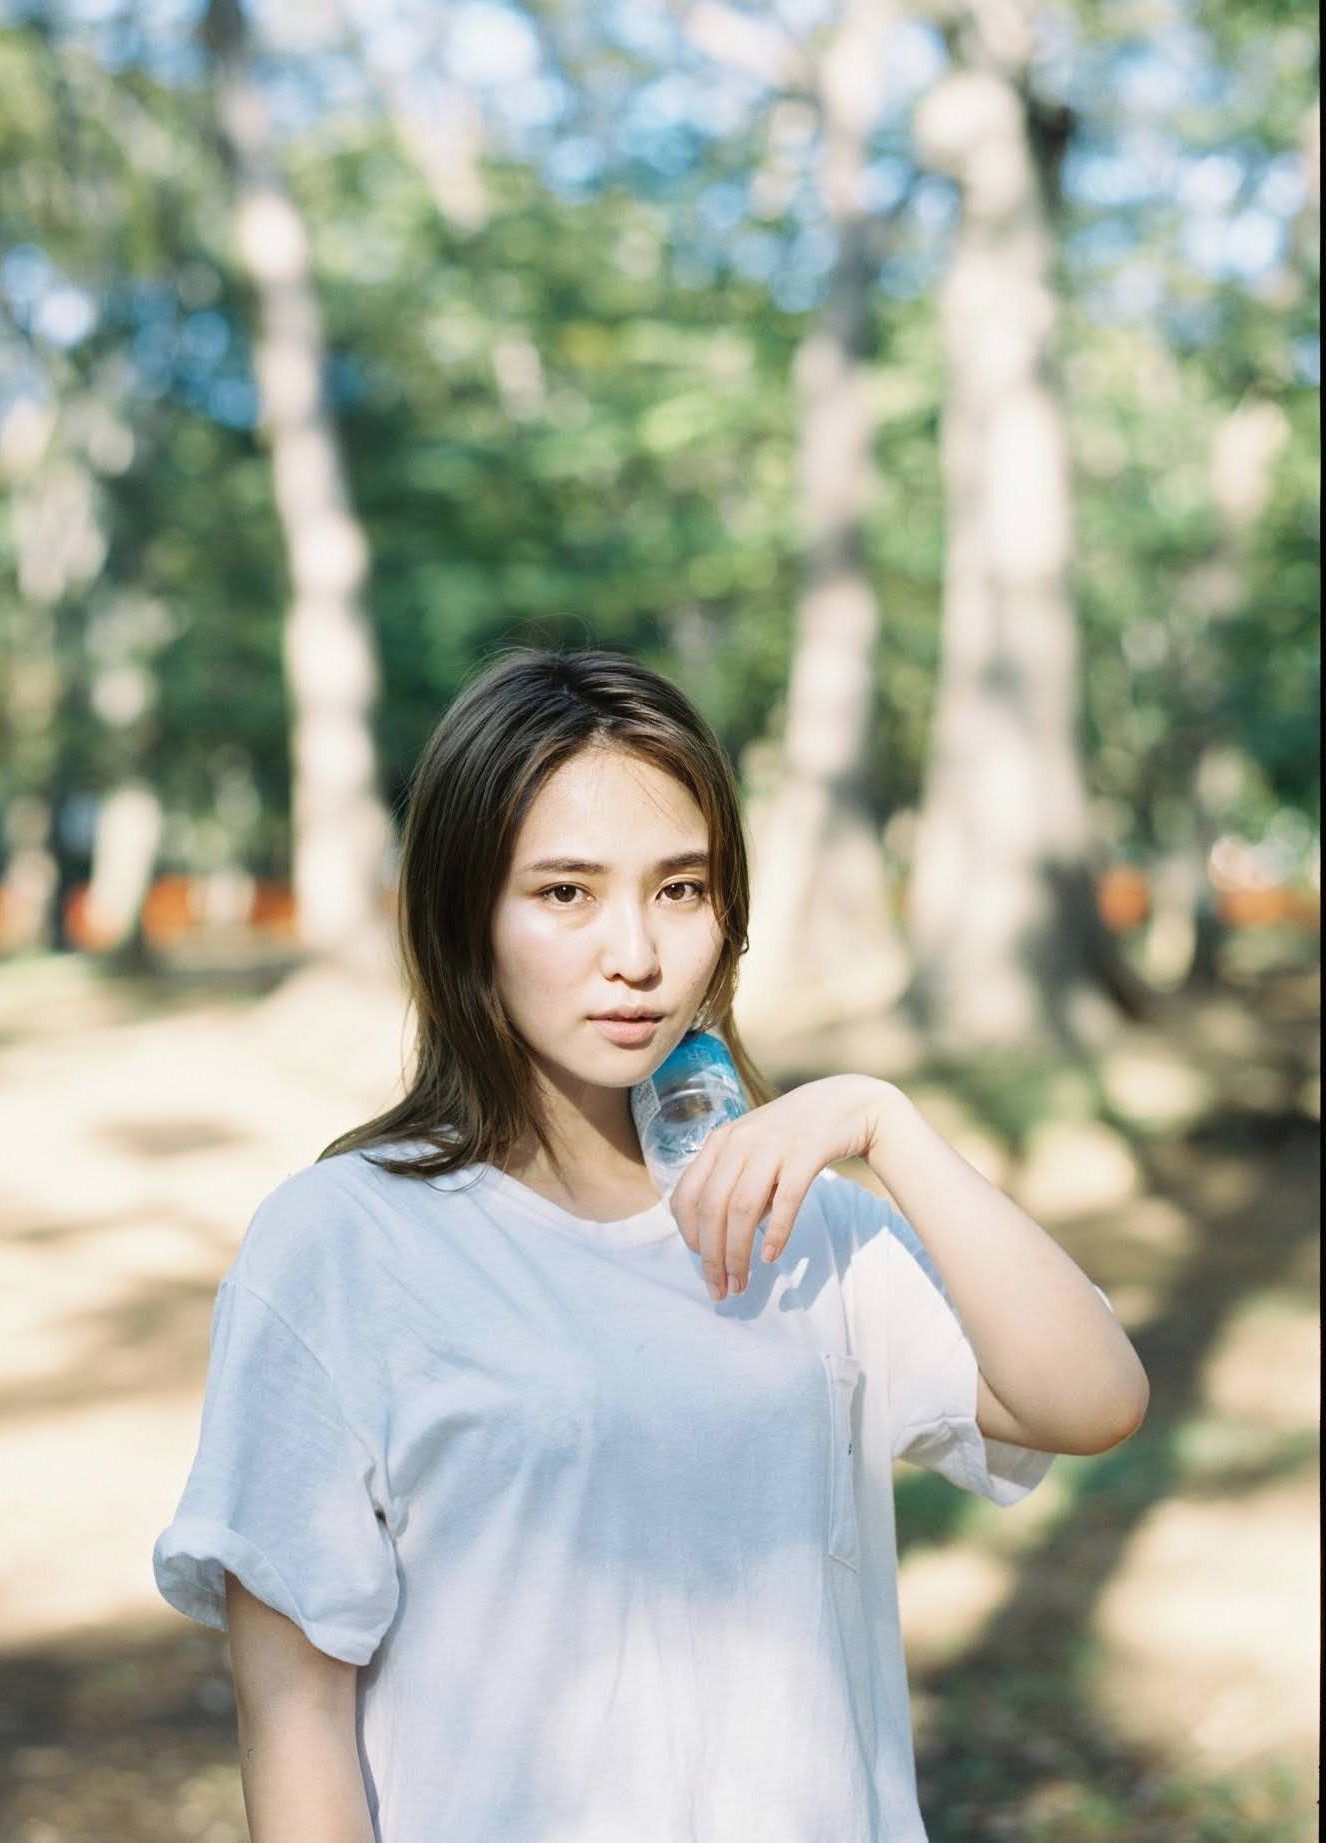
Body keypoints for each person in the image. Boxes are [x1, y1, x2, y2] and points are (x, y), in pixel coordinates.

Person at [152, 646, 1149, 1843]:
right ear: (464, 913)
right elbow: (296, 1719)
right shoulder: (345, 1243)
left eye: (680, 888)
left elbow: (1092, 1398)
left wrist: (883, 1121)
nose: (635, 952)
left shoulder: (801, 1225)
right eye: (565, 893)